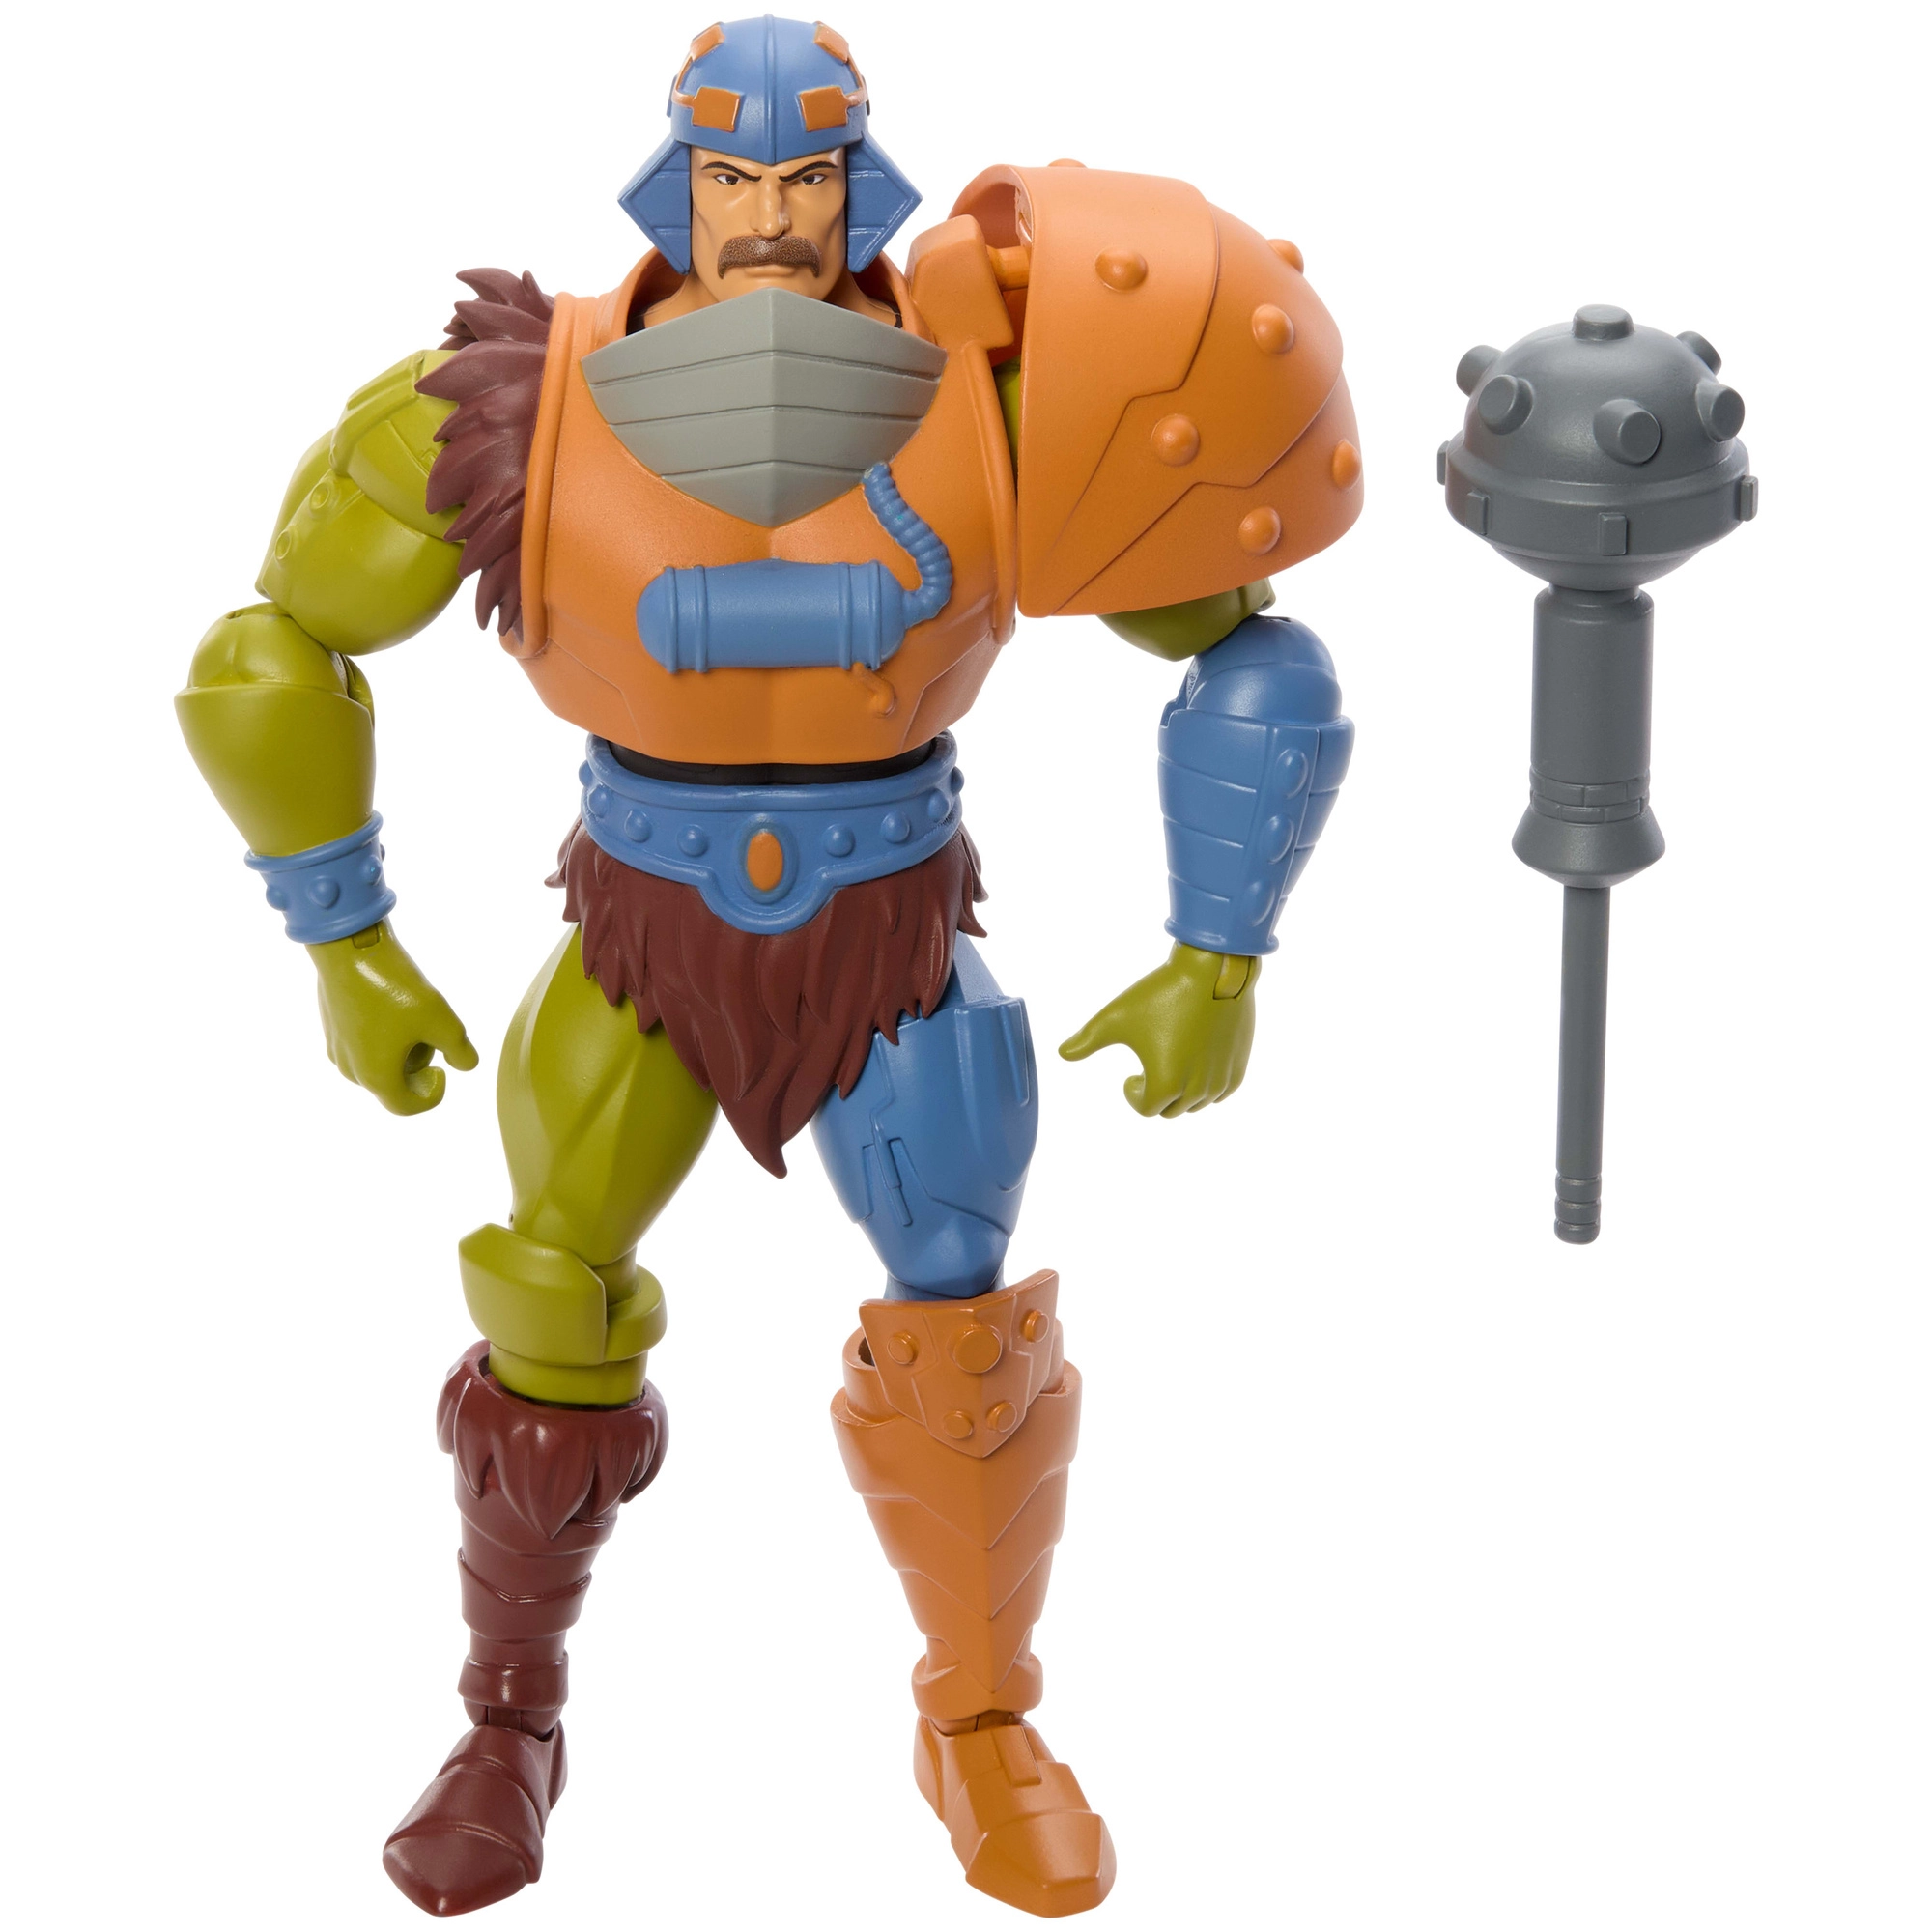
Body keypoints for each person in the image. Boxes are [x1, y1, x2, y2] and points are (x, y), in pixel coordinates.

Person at [177, 14, 1363, 1918]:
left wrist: (1216, 951)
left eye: (805, 174)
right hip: (639, 930)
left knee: (964, 1331)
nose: (769, 214)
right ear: (677, 179)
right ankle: (507, 1717)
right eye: (734, 173)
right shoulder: (514, 399)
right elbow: (273, 645)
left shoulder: (1003, 399)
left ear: (858, 181)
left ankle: (980, 1718)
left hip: (895, 930)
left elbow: (1250, 648)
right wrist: (346, 937)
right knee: (549, 1299)